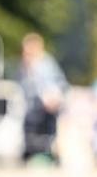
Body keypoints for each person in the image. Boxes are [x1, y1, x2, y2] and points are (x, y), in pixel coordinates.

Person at [17, 32, 68, 164]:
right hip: (30, 108)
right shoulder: (23, 67)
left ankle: (49, 154)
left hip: (46, 106)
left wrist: (52, 95)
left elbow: (59, 85)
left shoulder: (46, 64)